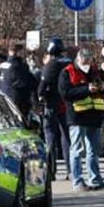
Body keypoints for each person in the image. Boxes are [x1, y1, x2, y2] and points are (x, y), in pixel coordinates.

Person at [60, 47, 104, 192]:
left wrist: (102, 87)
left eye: (89, 61)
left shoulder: (95, 71)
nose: (87, 64)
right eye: (84, 61)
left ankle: (95, 180)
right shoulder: (67, 72)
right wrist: (87, 89)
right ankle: (77, 181)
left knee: (93, 150)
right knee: (77, 150)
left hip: (94, 115)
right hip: (77, 117)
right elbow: (65, 93)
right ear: (78, 59)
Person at [38, 38, 72, 180]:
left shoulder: (50, 65)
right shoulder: (70, 63)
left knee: (50, 137)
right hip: (67, 104)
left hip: (51, 104)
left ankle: (51, 171)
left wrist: (40, 97)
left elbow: (42, 86)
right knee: (67, 137)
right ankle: (71, 170)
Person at [0, 44, 34, 119]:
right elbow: (26, 82)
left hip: (4, 97)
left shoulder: (2, 65)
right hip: (18, 99)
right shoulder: (20, 66)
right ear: (18, 52)